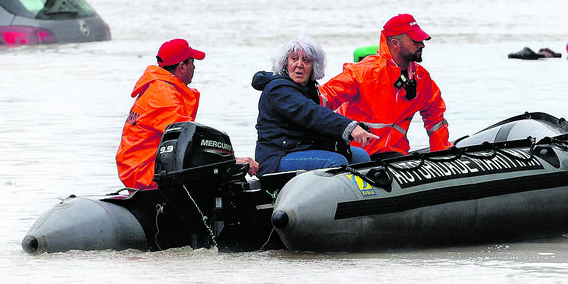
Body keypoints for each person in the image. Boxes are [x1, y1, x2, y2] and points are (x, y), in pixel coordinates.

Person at [116, 38, 258, 189]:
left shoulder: (158, 88)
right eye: (192, 63)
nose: (194, 68)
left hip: (141, 168)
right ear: (182, 67)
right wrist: (232, 161)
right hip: (144, 172)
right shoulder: (163, 94)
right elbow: (187, 141)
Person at [320, 14, 450, 157]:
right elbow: (323, 99)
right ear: (395, 43)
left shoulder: (421, 77)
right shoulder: (364, 73)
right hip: (356, 155)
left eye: (421, 40)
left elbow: (435, 118)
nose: (422, 45)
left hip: (395, 154)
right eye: (415, 41)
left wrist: (442, 154)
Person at [252, 36, 378, 177]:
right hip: (277, 157)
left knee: (360, 156)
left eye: (306, 61)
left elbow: (318, 124)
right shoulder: (279, 89)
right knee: (336, 162)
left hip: (299, 148)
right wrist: (349, 127)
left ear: (314, 66)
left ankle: (364, 198)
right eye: (294, 59)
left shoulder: (307, 89)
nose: (299, 64)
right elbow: (311, 114)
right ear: (285, 63)